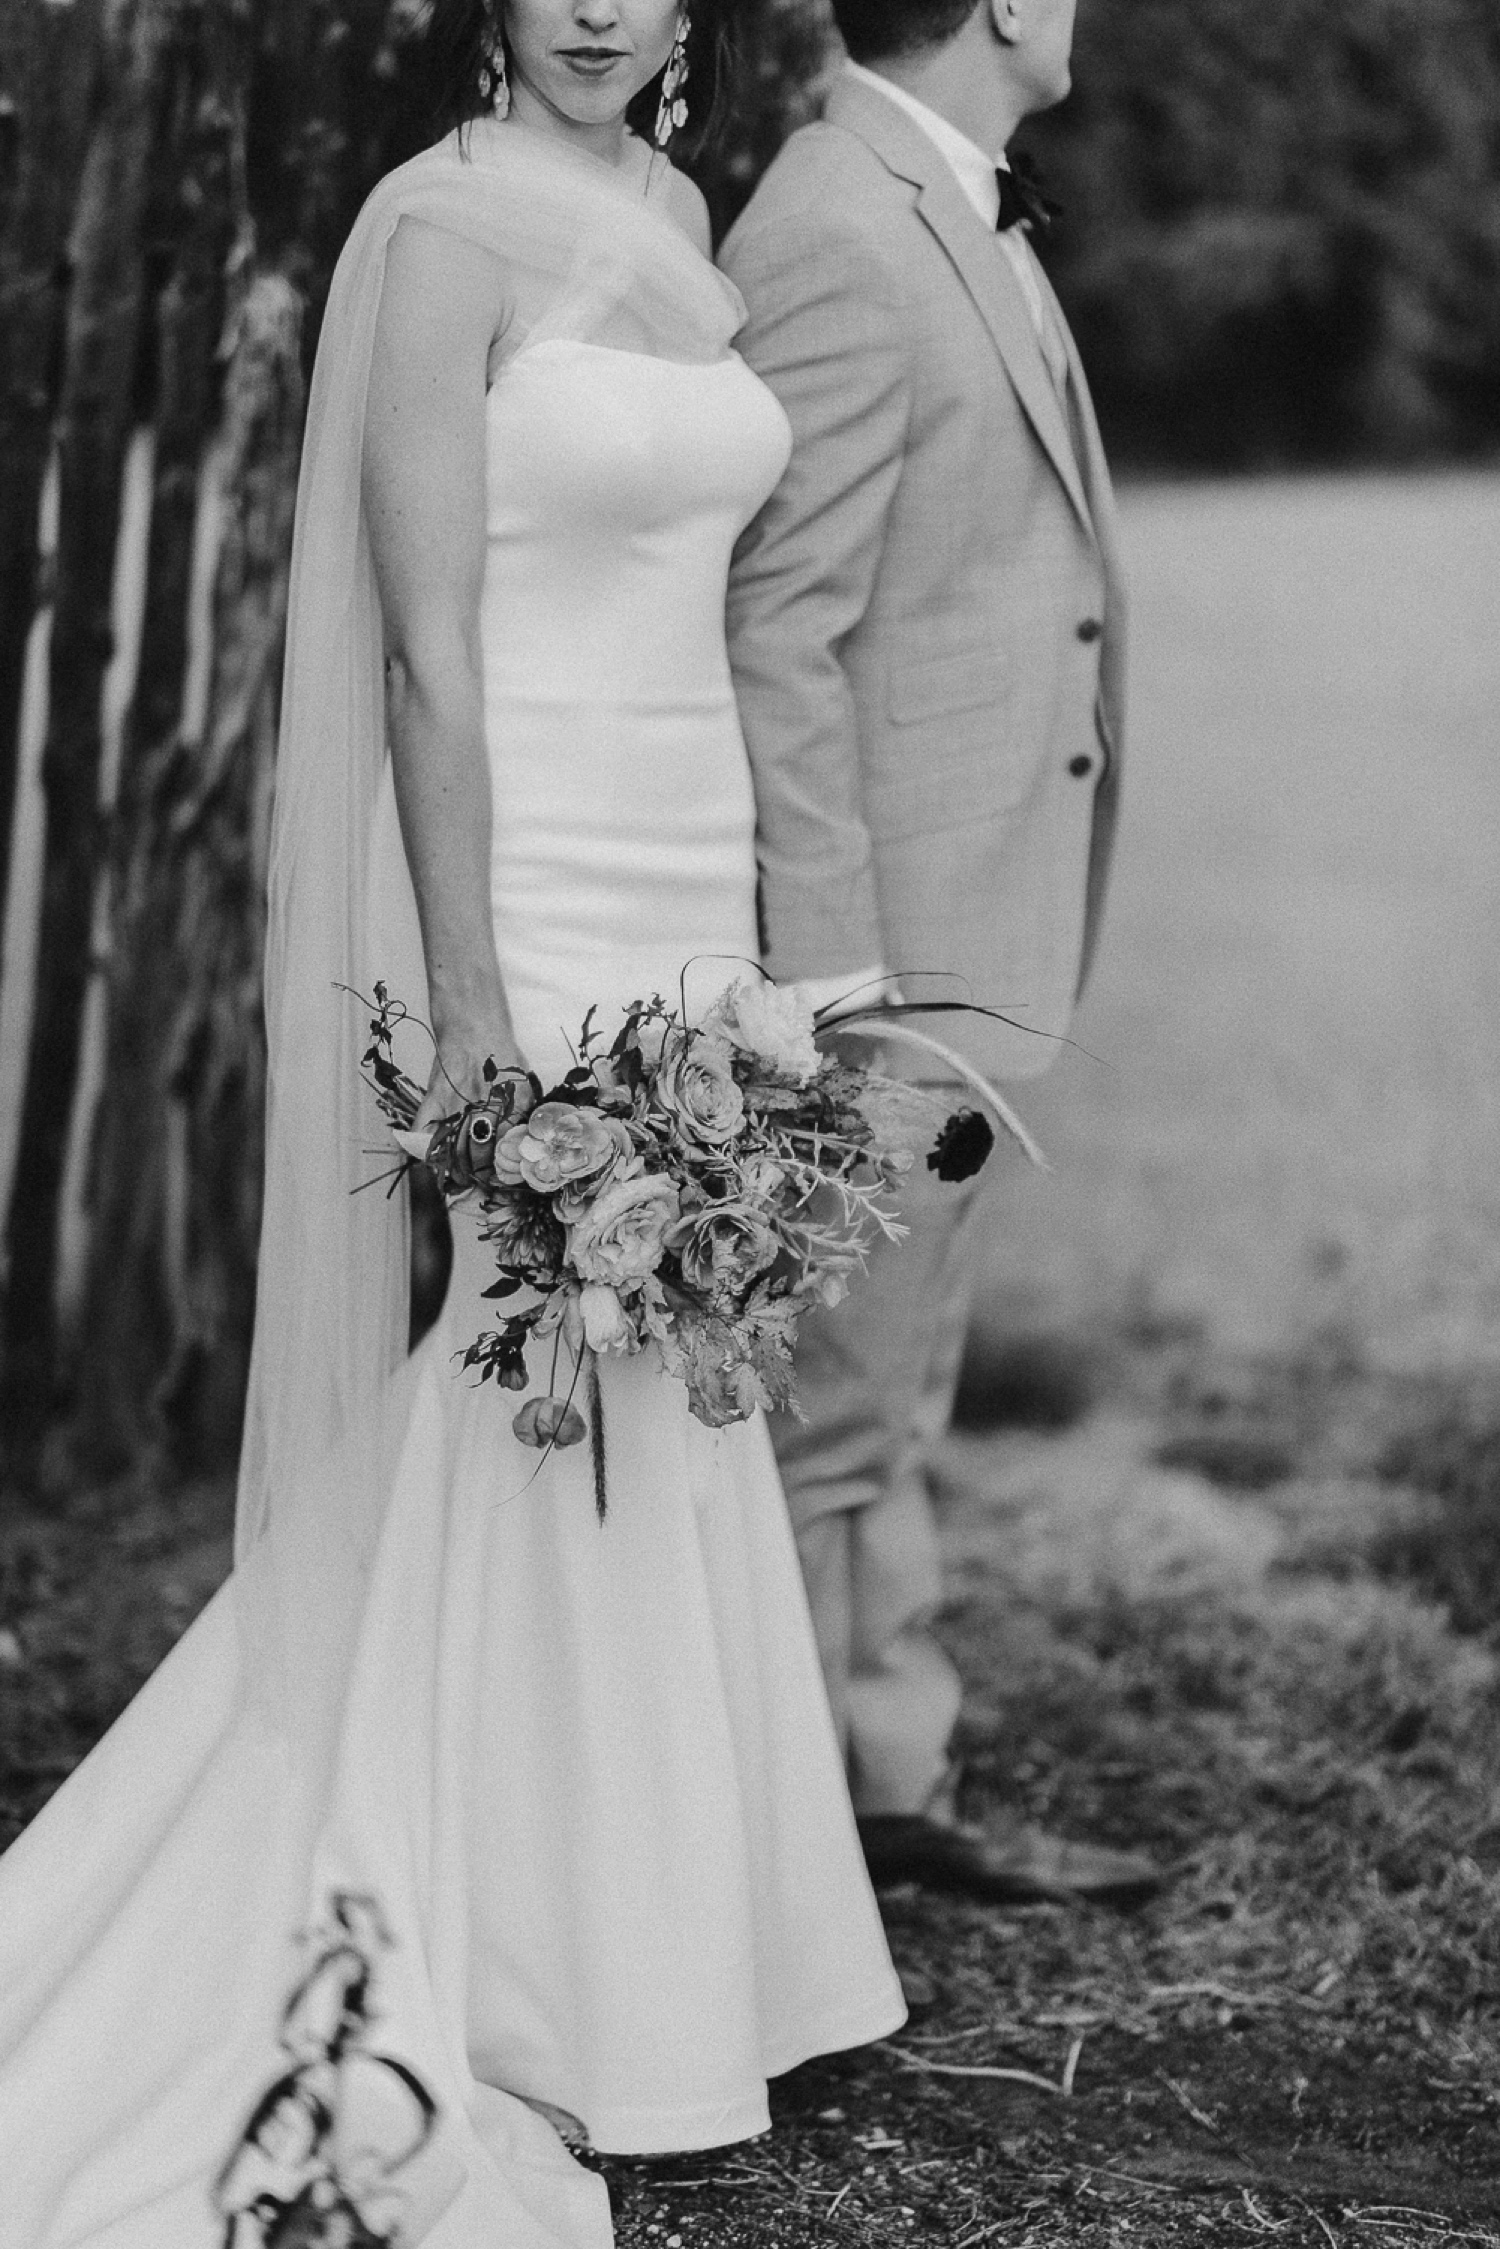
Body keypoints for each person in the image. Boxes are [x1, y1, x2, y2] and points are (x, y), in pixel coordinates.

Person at [0, 5, 905, 2240]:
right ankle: (528, 1960)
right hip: (537, 876)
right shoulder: (433, 231)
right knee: (547, 1363)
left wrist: (773, 929)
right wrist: (479, 985)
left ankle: (675, 1953)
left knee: (667, 1378)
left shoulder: (678, 212)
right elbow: (425, 647)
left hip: (693, 868)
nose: (599, 10)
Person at [723, 0, 1160, 1910]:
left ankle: (889, 1776)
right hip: (885, 941)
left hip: (970, 900)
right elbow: (777, 633)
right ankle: (784, 1856)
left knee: (896, 1380)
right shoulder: (837, 220)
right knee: (823, 1400)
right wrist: (832, 978)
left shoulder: (941, 194)